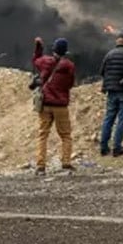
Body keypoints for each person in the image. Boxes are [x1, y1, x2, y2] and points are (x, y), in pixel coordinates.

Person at [33, 36, 76, 176]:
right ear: (66, 51)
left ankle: (40, 166)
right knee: (66, 135)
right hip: (61, 105)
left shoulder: (45, 62)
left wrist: (39, 46)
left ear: (54, 50)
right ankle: (66, 163)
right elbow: (70, 84)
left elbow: (35, 60)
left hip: (45, 104)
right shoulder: (70, 66)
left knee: (42, 135)